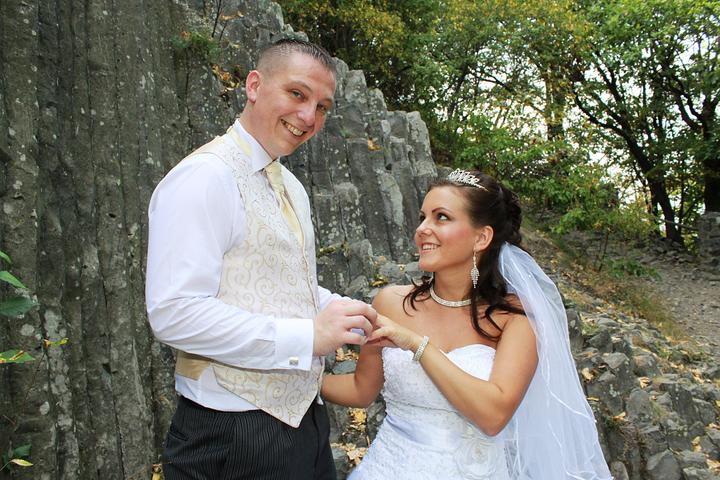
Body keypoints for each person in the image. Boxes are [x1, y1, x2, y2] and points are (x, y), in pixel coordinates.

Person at [146, 38, 376, 480]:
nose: (308, 117)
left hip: (306, 421)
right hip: (230, 432)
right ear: (254, 85)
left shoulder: (292, 187)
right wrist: (309, 337)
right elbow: (174, 313)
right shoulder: (204, 177)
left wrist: (341, 310)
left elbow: (284, 282)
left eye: (322, 107)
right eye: (297, 94)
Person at [322, 170, 613, 479]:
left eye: (441, 217)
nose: (422, 229)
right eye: (422, 217)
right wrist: (301, 376)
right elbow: (361, 389)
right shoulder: (391, 302)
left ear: (481, 237)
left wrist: (417, 345)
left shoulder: (515, 317)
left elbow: (493, 416)